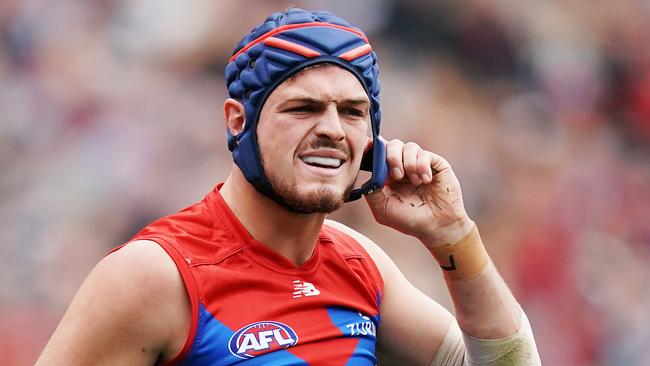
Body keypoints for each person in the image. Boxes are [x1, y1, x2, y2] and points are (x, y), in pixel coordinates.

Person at [38, 8, 540, 365]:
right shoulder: (155, 275)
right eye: (302, 108)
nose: (331, 129)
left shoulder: (358, 264)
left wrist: (453, 235)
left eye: (352, 112)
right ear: (238, 121)